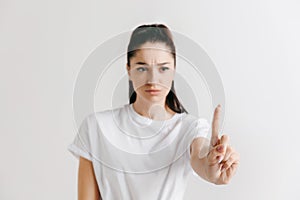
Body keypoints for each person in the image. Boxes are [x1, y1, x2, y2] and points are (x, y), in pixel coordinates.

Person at [68, 24, 240, 200]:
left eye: (163, 68)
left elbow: (200, 156)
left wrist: (212, 165)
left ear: (174, 69)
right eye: (142, 68)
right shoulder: (96, 127)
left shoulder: (190, 128)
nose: (152, 80)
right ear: (128, 70)